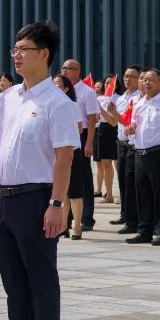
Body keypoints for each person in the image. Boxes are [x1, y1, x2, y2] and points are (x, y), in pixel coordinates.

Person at [0, 22, 79, 320]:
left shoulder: (57, 103)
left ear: (44, 54)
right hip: (4, 199)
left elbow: (65, 157)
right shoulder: (10, 97)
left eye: (24, 49)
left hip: (37, 199)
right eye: (14, 50)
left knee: (41, 281)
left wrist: (57, 204)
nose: (16, 55)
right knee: (13, 281)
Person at [124, 68, 160, 246]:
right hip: (140, 153)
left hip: (159, 153)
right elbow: (134, 125)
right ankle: (145, 231)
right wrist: (130, 129)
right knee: (143, 194)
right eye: (144, 80)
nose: (146, 83)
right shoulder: (139, 103)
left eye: (151, 80)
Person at [99, 65, 141, 234]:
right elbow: (113, 122)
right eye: (126, 76)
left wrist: (116, 113)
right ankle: (125, 214)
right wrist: (105, 110)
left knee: (131, 183)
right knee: (122, 181)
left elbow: (129, 122)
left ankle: (133, 219)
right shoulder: (122, 98)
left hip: (133, 145)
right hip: (121, 143)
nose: (127, 79)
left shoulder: (139, 98)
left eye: (132, 76)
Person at [59, 60, 98, 230]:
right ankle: (66, 219)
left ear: (77, 71)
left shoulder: (87, 92)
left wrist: (89, 143)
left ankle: (87, 217)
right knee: (65, 178)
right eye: (63, 68)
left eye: (69, 68)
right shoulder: (57, 90)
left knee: (83, 178)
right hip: (62, 138)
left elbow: (91, 119)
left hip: (81, 137)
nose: (65, 71)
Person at [52, 76, 86, 240]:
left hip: (72, 151)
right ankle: (63, 225)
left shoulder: (72, 105)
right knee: (62, 191)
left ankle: (77, 226)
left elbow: (79, 128)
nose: (54, 88)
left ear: (66, 89)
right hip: (55, 152)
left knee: (75, 192)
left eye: (58, 85)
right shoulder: (50, 104)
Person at [94, 74, 120, 202]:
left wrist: (101, 110)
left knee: (118, 163)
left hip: (116, 129)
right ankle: (109, 194)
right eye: (106, 83)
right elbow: (97, 117)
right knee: (105, 163)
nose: (107, 85)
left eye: (110, 83)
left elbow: (114, 120)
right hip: (102, 130)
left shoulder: (119, 98)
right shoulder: (100, 99)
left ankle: (122, 193)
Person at [0, 73, 14, 160]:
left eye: (4, 80)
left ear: (11, 83)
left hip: (12, 130)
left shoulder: (16, 96)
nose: (1, 82)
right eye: (0, 81)